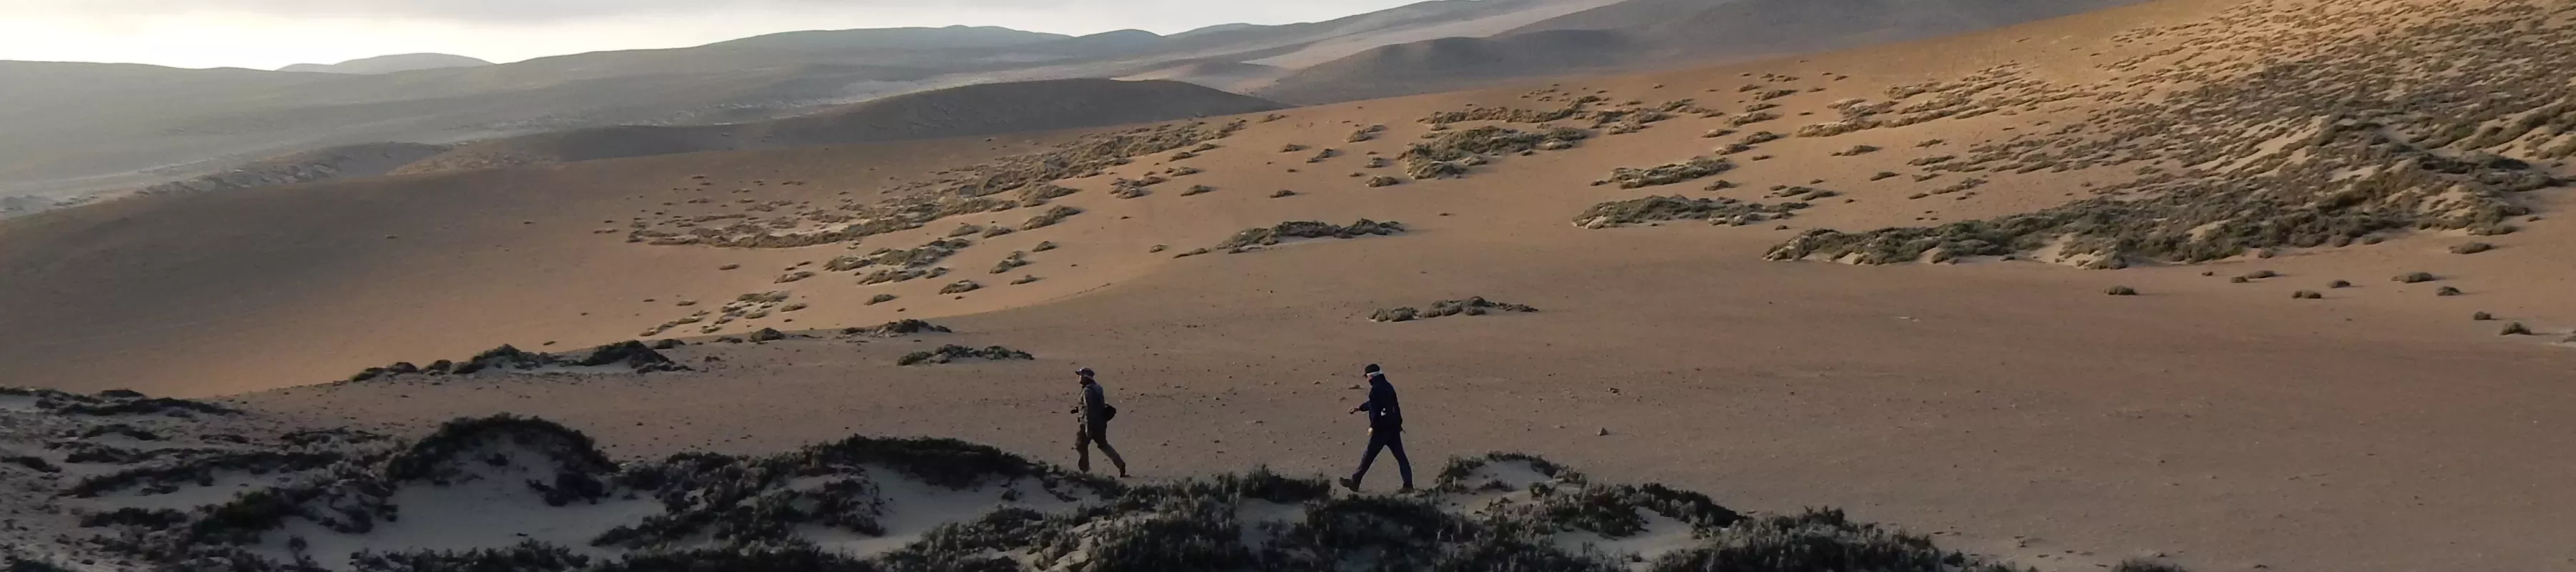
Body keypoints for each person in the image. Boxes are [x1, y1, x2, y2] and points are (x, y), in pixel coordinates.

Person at [1340, 363, 1413, 492]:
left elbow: (1375, 409)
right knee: (1401, 457)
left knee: (1368, 457)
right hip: (1394, 427)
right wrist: (1360, 408)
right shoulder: (1388, 386)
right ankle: (1408, 485)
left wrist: (1372, 427)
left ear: (1371, 377)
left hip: (1381, 430)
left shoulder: (1375, 390)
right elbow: (1380, 404)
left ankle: (1355, 482)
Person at [1069, 368, 1129, 478]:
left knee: (1081, 445)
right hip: (1100, 423)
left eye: (1080, 375)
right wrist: (1078, 409)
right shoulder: (1098, 388)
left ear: (1086, 377)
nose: (1079, 377)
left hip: (1088, 423)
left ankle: (1084, 471)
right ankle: (1120, 464)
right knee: (1104, 445)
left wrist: (1087, 427)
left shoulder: (1087, 391)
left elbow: (1089, 409)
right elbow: (1096, 405)